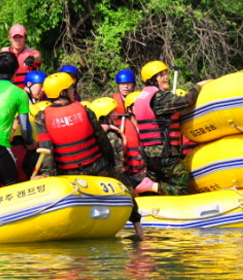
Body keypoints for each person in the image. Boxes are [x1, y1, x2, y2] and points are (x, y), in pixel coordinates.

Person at [34, 73, 144, 236]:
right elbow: (102, 139)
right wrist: (112, 164)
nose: (73, 90)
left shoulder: (41, 117)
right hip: (97, 166)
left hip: (68, 173)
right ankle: (138, 227)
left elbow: (47, 148)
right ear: (63, 92)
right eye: (71, 88)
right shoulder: (84, 110)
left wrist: (46, 174)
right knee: (125, 184)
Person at [132, 61, 208, 196]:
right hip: (164, 154)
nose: (166, 77)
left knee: (159, 188)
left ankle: (150, 191)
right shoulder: (160, 97)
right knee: (184, 188)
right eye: (161, 75)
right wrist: (198, 86)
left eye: (166, 74)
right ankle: (150, 185)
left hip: (149, 154)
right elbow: (186, 101)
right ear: (152, 79)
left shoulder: (142, 97)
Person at [91, 97, 146, 236]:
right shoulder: (111, 135)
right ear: (104, 116)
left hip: (98, 176)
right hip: (113, 175)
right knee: (130, 194)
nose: (116, 114)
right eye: (113, 112)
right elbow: (118, 162)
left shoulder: (94, 133)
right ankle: (138, 229)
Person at [0, 52, 31, 186]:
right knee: (11, 184)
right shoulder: (20, 94)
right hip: (1, 145)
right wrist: (29, 142)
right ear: (16, 71)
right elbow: (24, 127)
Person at [1, 24, 42, 89]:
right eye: (15, 37)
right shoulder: (3, 53)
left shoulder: (31, 52)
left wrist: (32, 58)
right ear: (10, 38)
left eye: (20, 37)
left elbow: (38, 57)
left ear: (25, 38)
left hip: (25, 91)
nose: (18, 40)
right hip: (7, 90)